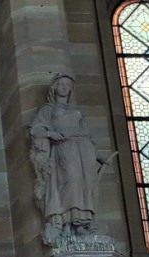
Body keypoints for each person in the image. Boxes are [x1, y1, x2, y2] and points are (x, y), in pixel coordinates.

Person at [30, 72, 108, 245]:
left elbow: (87, 133)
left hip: (83, 149)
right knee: (70, 181)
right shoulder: (48, 109)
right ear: (54, 87)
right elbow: (36, 130)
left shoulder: (76, 110)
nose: (64, 87)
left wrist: (98, 156)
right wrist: (51, 133)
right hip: (63, 149)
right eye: (61, 84)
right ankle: (65, 220)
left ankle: (82, 222)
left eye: (67, 84)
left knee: (84, 183)